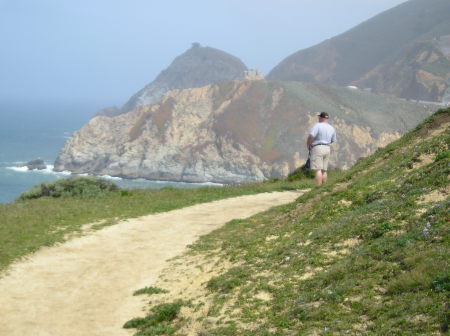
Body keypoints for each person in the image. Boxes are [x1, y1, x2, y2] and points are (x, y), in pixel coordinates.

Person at [306, 112, 336, 186]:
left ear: (320, 118)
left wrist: (308, 144)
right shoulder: (332, 128)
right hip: (327, 148)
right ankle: (323, 188)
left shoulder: (318, 125)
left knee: (318, 169)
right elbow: (333, 140)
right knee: (324, 170)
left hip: (318, 147)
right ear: (327, 119)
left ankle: (318, 188)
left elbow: (311, 136)